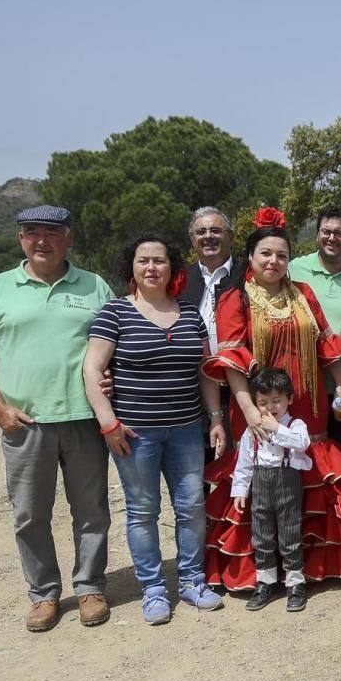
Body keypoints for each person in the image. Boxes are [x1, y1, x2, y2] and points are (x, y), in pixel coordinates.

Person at [0, 205, 114, 632]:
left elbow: (116, 344)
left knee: (91, 511)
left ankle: (89, 587)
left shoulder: (94, 286)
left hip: (84, 419)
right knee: (30, 514)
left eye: (51, 231)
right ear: (20, 239)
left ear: (68, 237)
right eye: (31, 232)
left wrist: (113, 383)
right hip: (24, 424)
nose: (41, 239)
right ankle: (44, 594)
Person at [202, 207, 341, 591]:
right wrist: (250, 412)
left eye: (282, 255)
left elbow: (325, 342)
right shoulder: (235, 299)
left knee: (307, 476)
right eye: (265, 254)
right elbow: (232, 362)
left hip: (307, 406)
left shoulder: (302, 294)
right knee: (260, 483)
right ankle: (261, 573)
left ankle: (309, 568)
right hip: (256, 406)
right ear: (251, 258)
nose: (274, 261)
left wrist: (339, 386)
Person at [82, 234, 226, 625]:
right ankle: (153, 589)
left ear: (171, 268)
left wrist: (215, 418)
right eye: (143, 260)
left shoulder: (191, 314)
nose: (151, 268)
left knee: (192, 507)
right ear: (132, 267)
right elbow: (92, 369)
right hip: (134, 434)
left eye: (159, 261)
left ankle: (193, 580)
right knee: (143, 511)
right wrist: (107, 421)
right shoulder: (115, 312)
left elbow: (206, 372)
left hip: (186, 430)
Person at [289, 206, 341, 451]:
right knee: (311, 459)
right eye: (326, 231)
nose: (331, 238)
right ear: (317, 234)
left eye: (339, 233)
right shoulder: (295, 269)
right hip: (305, 386)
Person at [229, 368, 313, 612]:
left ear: (289, 399)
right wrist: (240, 491)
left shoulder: (295, 425)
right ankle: (265, 582)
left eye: (276, 400)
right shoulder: (251, 431)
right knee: (262, 533)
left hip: (287, 481)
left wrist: (276, 428)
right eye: (263, 402)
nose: (270, 407)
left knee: (290, 533)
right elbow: (244, 462)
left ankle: (295, 583)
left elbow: (302, 444)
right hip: (261, 483)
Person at [179, 206, 245, 354]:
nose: (208, 236)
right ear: (193, 240)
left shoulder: (247, 275)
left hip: (240, 371)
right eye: (201, 232)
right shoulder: (180, 280)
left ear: (231, 237)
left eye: (215, 230)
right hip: (191, 373)